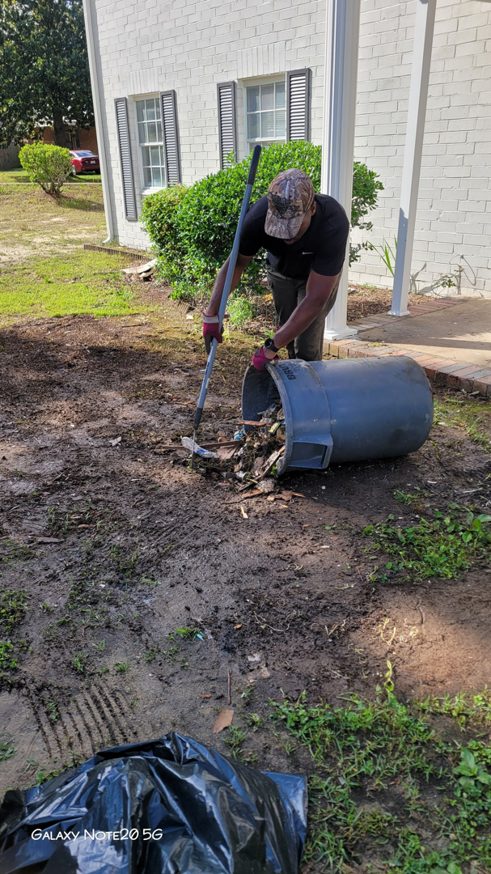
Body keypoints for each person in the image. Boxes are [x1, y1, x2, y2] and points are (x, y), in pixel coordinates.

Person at [202, 168, 349, 370]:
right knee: (287, 332)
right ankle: (289, 387)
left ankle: (310, 394)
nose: (286, 236)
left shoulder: (332, 221)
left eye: (294, 226)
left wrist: (270, 346)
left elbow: (315, 298)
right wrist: (212, 313)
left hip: (316, 278)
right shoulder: (257, 218)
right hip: (280, 272)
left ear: (312, 209)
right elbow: (236, 264)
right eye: (279, 226)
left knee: (306, 343)